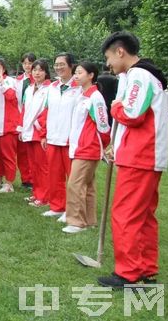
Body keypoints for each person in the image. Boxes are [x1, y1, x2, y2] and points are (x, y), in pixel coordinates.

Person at [97, 31, 168, 289]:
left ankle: (128, 272)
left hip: (140, 156)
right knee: (144, 215)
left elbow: (132, 113)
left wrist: (114, 105)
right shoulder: (139, 76)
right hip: (145, 155)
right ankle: (146, 268)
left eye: (108, 58)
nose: (108, 65)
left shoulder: (140, 75)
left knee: (126, 213)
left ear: (120, 51)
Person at [64, 61, 110, 234]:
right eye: (75, 73)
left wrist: (100, 144)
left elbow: (103, 125)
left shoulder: (94, 97)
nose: (76, 76)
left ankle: (76, 221)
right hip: (80, 146)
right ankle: (89, 220)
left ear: (91, 75)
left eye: (80, 73)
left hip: (88, 147)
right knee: (88, 185)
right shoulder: (81, 95)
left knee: (74, 184)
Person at [41, 53, 82, 219]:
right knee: (54, 175)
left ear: (71, 66)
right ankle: (57, 206)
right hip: (53, 138)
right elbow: (46, 111)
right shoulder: (52, 87)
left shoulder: (79, 87)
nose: (58, 67)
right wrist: (44, 134)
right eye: (56, 64)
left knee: (73, 179)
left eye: (62, 64)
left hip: (70, 140)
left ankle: (72, 210)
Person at [20, 59, 51, 208]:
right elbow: (24, 109)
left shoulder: (50, 89)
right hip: (28, 131)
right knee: (33, 166)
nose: (37, 73)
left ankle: (45, 196)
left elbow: (48, 111)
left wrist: (41, 127)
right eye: (34, 70)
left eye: (40, 70)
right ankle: (37, 193)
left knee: (43, 166)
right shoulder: (29, 88)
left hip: (39, 131)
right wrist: (22, 127)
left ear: (46, 72)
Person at [0, 57, 20, 193]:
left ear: (3, 69)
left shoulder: (10, 81)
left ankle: (9, 183)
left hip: (7, 123)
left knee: (8, 154)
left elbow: (12, 97)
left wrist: (2, 83)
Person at [16, 53, 36, 189]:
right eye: (25, 63)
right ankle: (25, 178)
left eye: (30, 63)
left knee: (34, 151)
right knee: (21, 150)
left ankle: (35, 178)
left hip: (34, 118)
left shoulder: (39, 80)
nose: (27, 66)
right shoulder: (17, 80)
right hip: (20, 116)